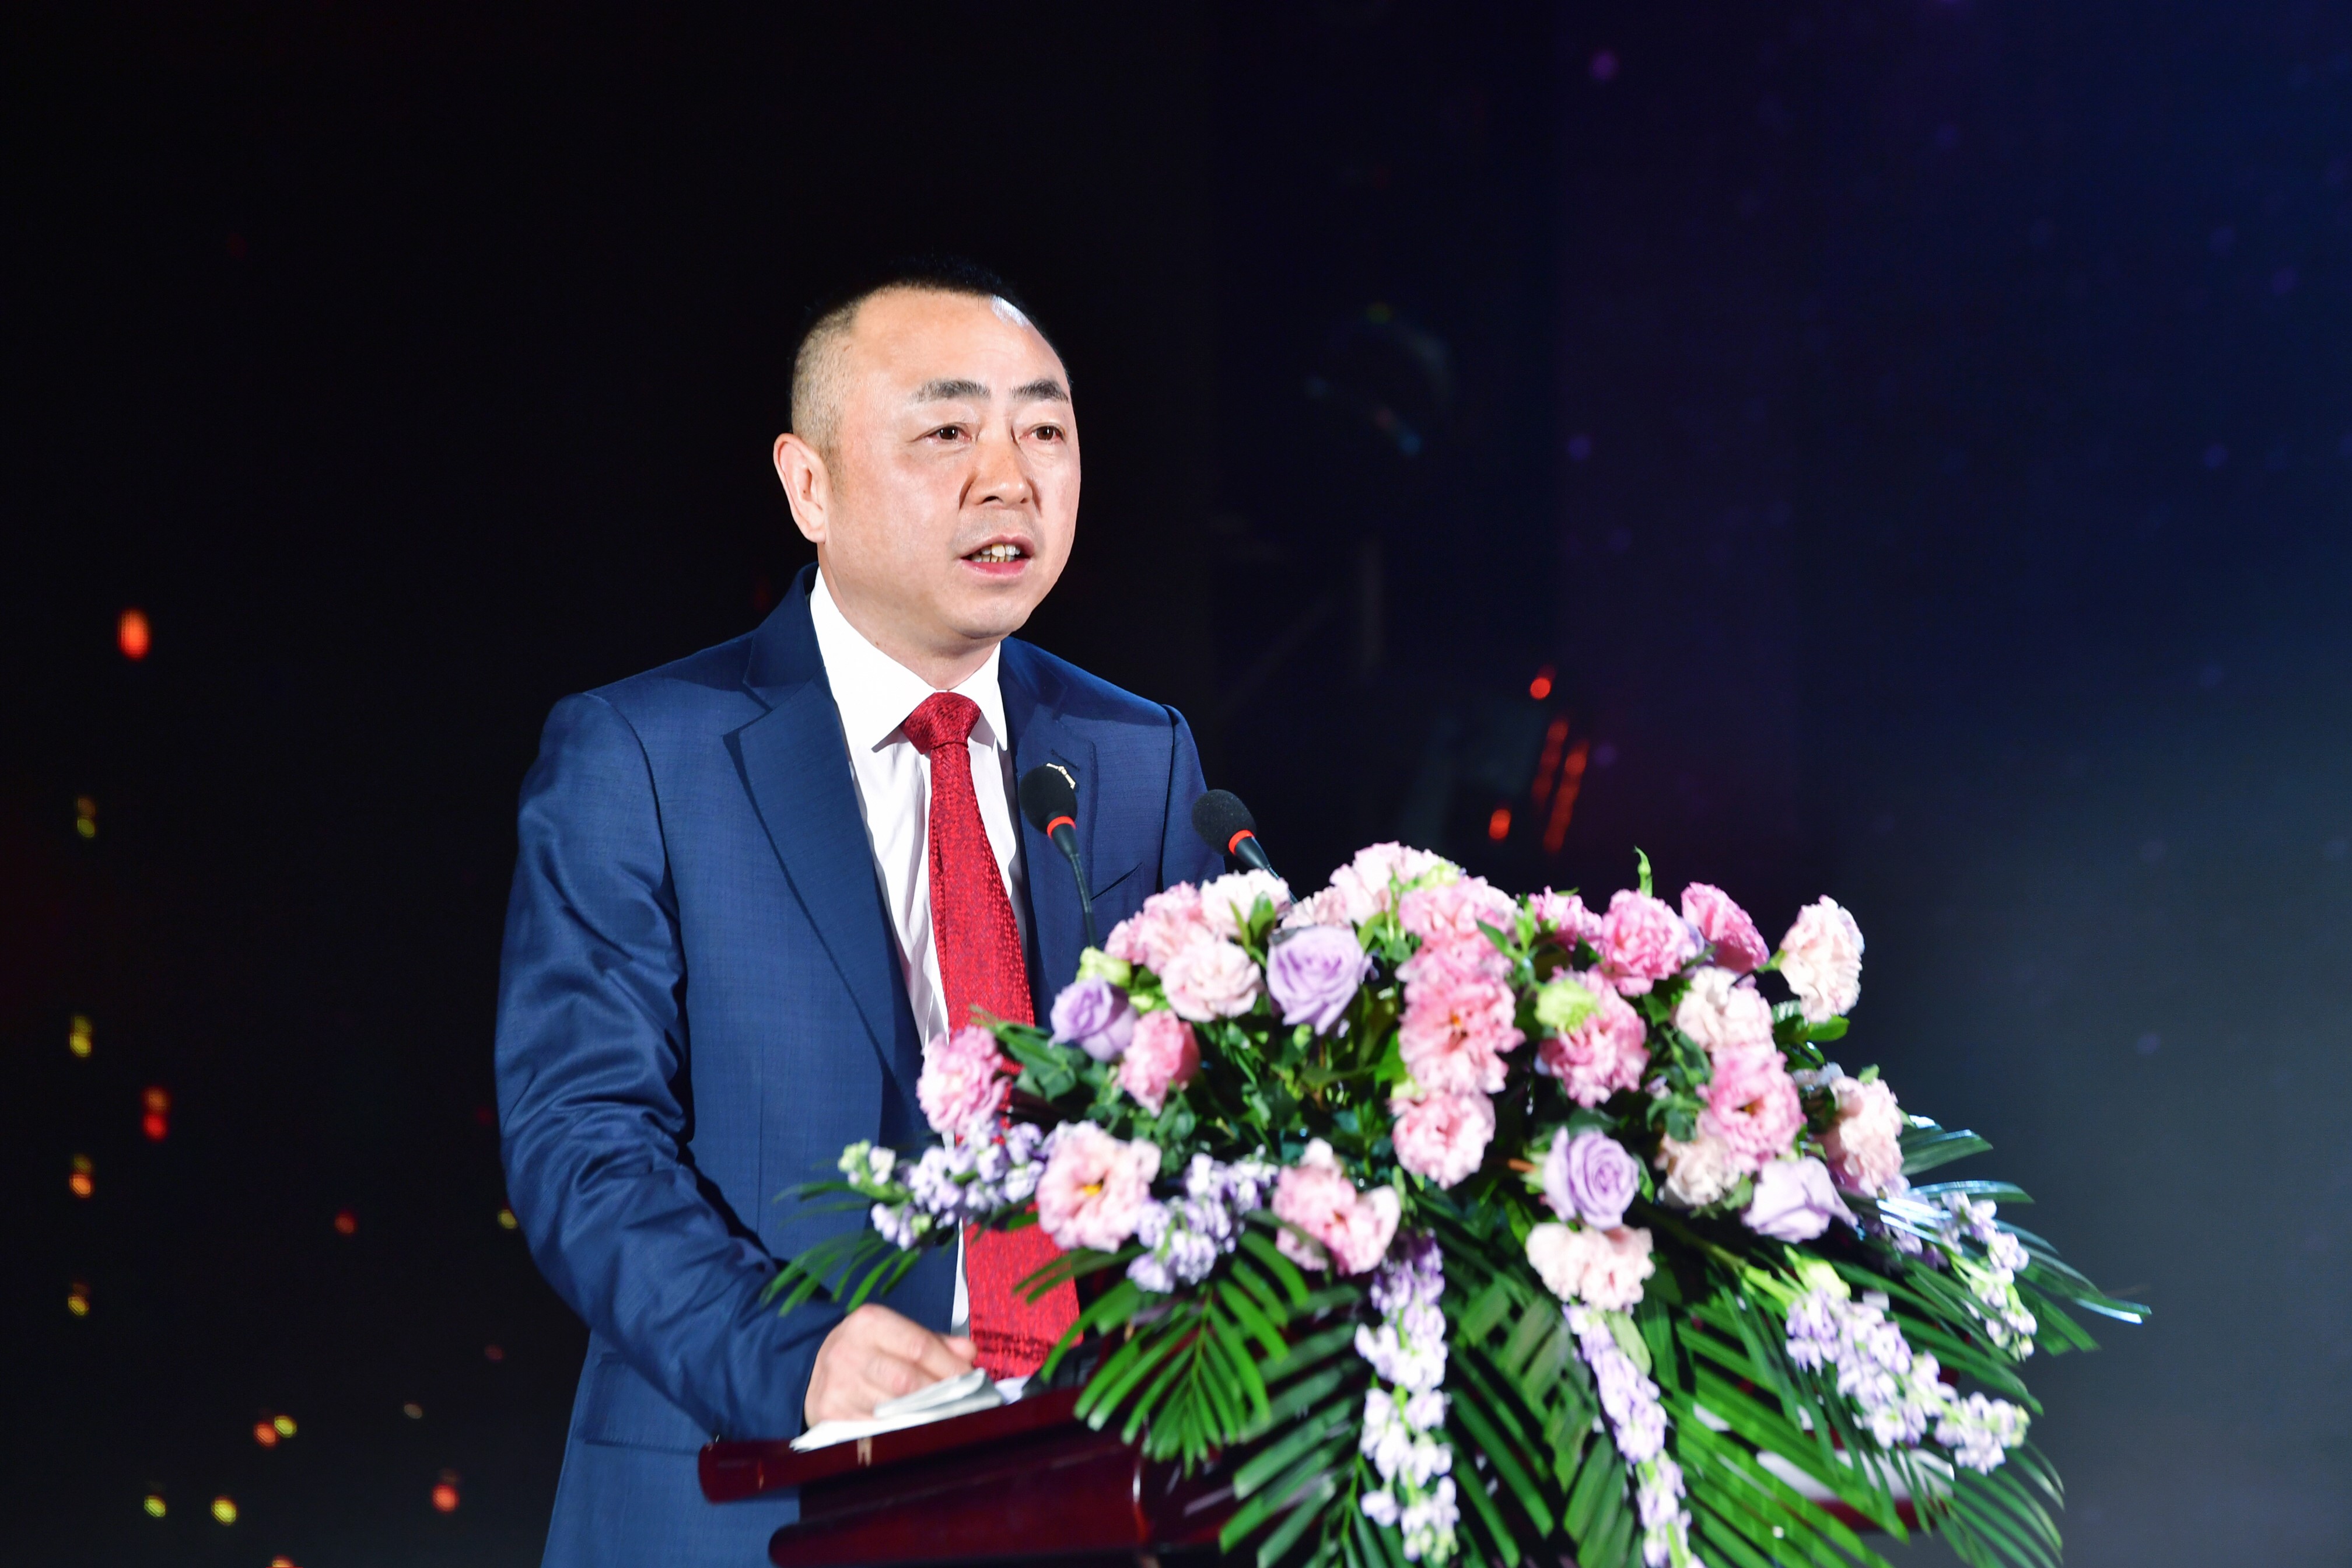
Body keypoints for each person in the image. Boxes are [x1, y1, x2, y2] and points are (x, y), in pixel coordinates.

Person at [494, 259, 1222, 1566]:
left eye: (1044, 432)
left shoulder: (1139, 755)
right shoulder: (644, 755)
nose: (1008, 480)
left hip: (1087, 1498)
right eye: (947, 433)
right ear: (809, 486)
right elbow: (581, 1143)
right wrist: (798, 1359)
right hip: (752, 1487)